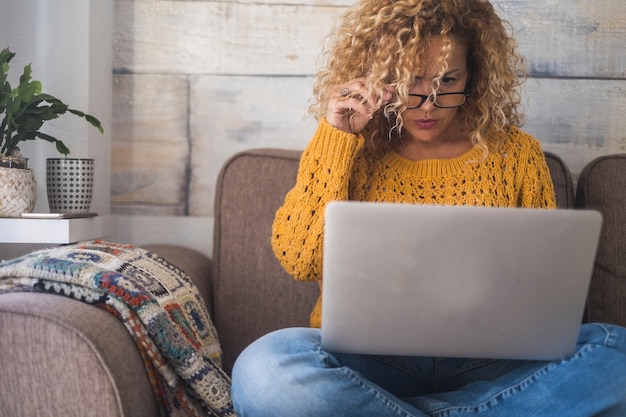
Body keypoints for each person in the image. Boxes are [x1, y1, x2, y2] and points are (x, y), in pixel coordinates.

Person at [231, 0, 626, 415]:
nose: (427, 104)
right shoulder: (352, 150)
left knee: (615, 352)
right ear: (379, 76)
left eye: (447, 81)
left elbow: (544, 294)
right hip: (371, 363)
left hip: (490, 363)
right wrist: (337, 137)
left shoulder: (517, 155)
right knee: (264, 368)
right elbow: (299, 258)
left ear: (475, 73)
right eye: (410, 82)